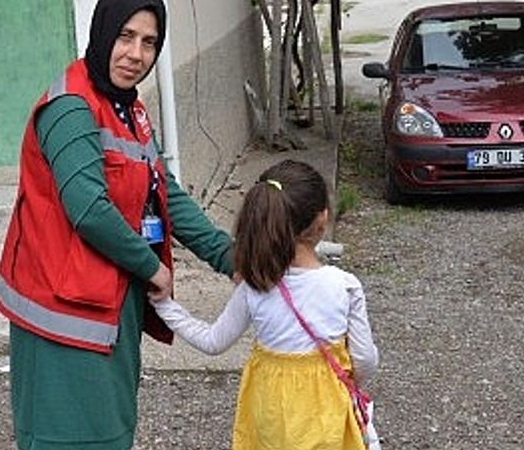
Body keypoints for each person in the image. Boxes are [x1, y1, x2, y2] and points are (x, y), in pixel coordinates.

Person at [0, 0, 234, 450]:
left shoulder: (127, 108)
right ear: (103, 32)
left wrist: (229, 257)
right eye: (125, 36)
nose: (135, 54)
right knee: (67, 439)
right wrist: (152, 268)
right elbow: (88, 210)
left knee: (110, 434)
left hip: (108, 300)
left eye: (149, 42)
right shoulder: (71, 108)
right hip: (61, 312)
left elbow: (164, 193)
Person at [148, 159, 379, 450]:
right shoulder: (344, 285)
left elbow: (213, 341)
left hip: (271, 415)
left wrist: (165, 306)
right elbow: (365, 360)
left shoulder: (255, 286)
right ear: (322, 219)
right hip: (326, 414)